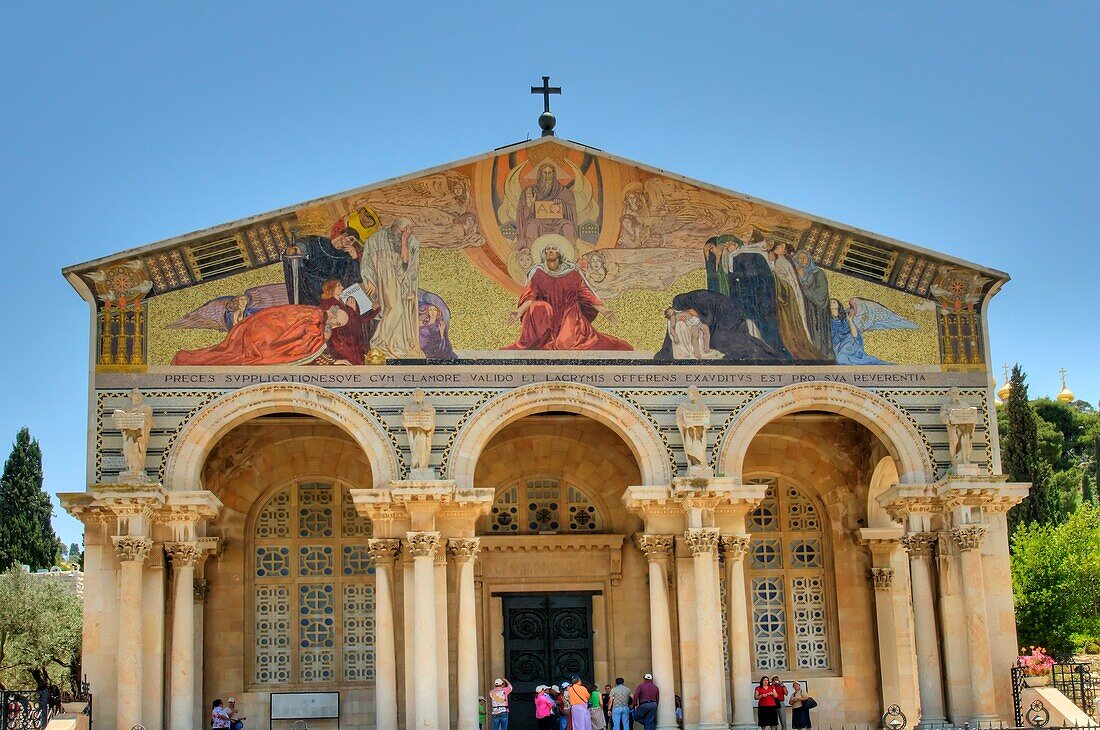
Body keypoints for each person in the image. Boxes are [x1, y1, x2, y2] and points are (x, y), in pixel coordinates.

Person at [505, 239, 631, 351]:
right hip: (547, 316)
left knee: (565, 344)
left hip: (569, 313)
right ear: (543, 255)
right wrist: (519, 311)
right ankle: (541, 339)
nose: (550, 251)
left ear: (560, 254)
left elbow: (586, 294)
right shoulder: (538, 273)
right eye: (547, 249)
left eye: (554, 249)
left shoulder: (572, 273)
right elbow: (530, 295)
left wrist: (604, 310)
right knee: (538, 306)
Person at [172, 304, 349, 366]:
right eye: (337, 323)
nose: (335, 327)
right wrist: (331, 357)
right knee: (231, 357)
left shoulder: (315, 316)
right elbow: (300, 342)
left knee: (226, 355)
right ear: (332, 314)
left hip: (257, 330)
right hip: (261, 338)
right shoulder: (314, 316)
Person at [361, 217, 424, 358]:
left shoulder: (411, 242)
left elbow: (408, 264)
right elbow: (366, 261)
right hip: (384, 280)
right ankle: (379, 341)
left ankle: (392, 342)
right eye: (402, 231)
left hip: (403, 283)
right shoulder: (376, 239)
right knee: (396, 308)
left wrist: (403, 242)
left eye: (407, 231)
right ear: (394, 227)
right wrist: (369, 279)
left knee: (400, 312)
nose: (405, 234)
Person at [515, 162, 578, 250]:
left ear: (554, 174)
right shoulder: (531, 191)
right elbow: (523, 215)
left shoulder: (562, 191)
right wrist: (529, 206)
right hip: (538, 222)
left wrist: (562, 204)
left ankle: (569, 253)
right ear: (540, 174)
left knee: (568, 226)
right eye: (545, 172)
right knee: (531, 226)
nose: (547, 175)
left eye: (550, 173)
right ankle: (533, 253)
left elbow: (571, 209)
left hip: (557, 223)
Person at [793, 250, 833, 360]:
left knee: (816, 332)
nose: (802, 260)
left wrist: (803, 280)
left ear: (809, 259)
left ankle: (820, 354)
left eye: (804, 257)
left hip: (817, 310)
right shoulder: (795, 273)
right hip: (803, 308)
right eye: (799, 258)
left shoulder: (818, 273)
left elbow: (822, 294)